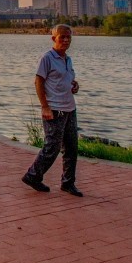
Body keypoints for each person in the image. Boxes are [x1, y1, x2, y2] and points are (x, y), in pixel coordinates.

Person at [22, 24, 83, 196]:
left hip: (70, 108)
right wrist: (45, 106)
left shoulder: (67, 59)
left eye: (68, 37)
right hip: (54, 110)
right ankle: (33, 175)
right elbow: (38, 82)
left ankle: (68, 182)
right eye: (62, 37)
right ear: (53, 38)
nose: (65, 40)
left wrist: (74, 85)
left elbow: (67, 79)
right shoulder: (47, 58)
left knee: (71, 148)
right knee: (52, 147)